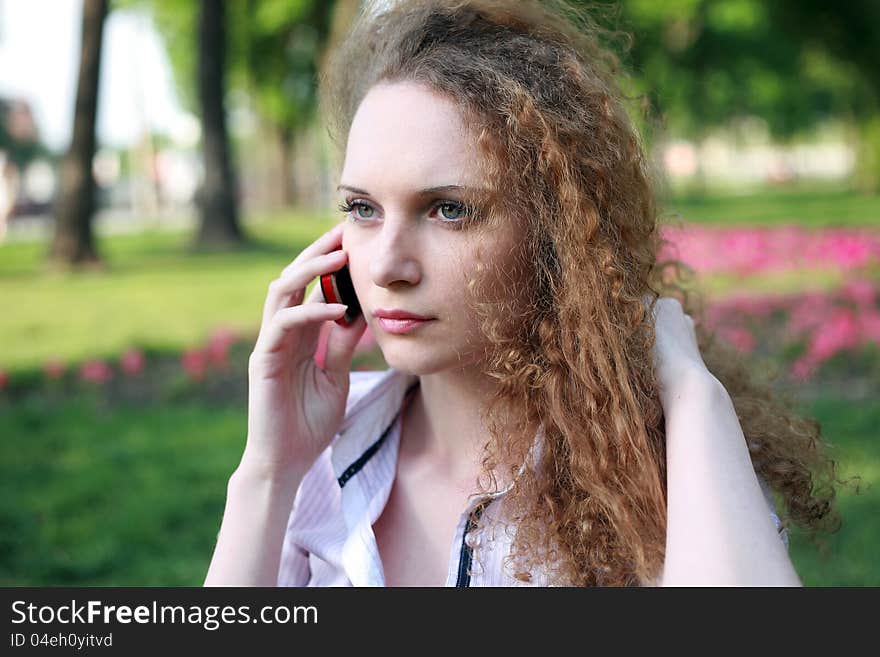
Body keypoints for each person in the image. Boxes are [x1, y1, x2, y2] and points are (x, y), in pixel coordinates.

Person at [205, 0, 841, 587]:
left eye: (449, 210)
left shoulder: (673, 472)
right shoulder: (320, 444)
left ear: (554, 234)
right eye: (363, 208)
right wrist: (269, 470)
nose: (388, 265)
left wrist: (695, 396)